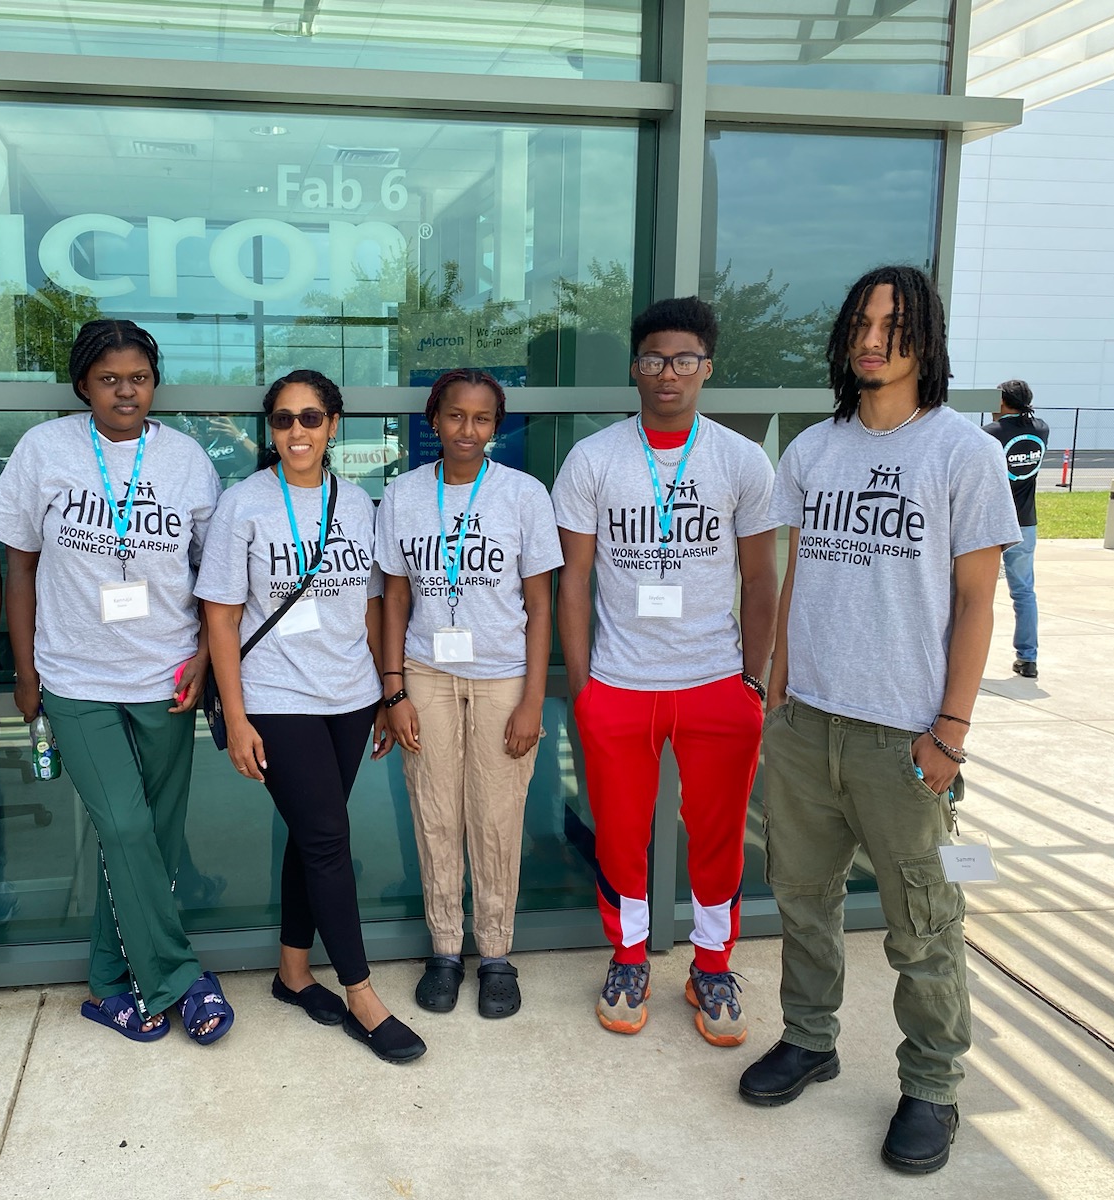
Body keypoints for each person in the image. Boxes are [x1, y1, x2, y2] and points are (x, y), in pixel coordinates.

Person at [741, 265, 1020, 1175]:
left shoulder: (962, 453)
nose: (872, 339)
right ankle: (811, 1038)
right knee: (804, 899)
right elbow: (790, 582)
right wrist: (776, 699)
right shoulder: (815, 451)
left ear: (924, 339)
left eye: (893, 325)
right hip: (806, 724)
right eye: (861, 323)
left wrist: (950, 732)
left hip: (903, 739)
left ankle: (933, 1084)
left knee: (925, 921)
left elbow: (978, 604)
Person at [0, 319, 233, 1046]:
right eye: (109, 379)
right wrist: (24, 668)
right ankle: (178, 977)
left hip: (167, 672)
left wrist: (207, 662)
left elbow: (213, 578)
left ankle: (108, 983)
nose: (126, 391)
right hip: (75, 674)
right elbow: (19, 567)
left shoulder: (186, 459)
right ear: (82, 386)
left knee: (149, 836)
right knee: (123, 825)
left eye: (139, 378)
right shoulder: (44, 451)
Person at [553, 296, 778, 1046]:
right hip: (620, 684)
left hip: (716, 682)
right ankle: (627, 957)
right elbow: (573, 580)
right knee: (621, 837)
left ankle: (711, 964)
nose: (668, 374)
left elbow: (760, 578)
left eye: (684, 360)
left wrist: (754, 679)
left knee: (717, 838)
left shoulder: (741, 460)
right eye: (654, 359)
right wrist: (585, 690)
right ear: (634, 367)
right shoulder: (594, 458)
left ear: (707, 369)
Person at [196, 369, 427, 1064]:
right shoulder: (245, 503)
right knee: (328, 838)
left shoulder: (357, 503)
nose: (296, 431)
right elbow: (221, 616)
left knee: (309, 834)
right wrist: (236, 718)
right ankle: (361, 994)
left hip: (350, 697)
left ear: (333, 425)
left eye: (310, 418)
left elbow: (371, 603)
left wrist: (387, 693)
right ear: (271, 429)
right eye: (283, 420)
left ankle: (292, 973)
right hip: (275, 696)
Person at [377, 368, 562, 1019]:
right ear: (435, 420)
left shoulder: (523, 495)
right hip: (425, 672)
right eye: (455, 416)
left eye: (482, 419)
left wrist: (533, 699)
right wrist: (392, 688)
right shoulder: (402, 495)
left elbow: (541, 605)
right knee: (435, 814)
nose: (468, 430)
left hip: (503, 676)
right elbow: (395, 594)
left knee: (495, 817)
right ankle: (446, 950)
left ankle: (498, 955)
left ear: (497, 426)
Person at [983, 380, 1047, 680]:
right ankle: (1028, 658)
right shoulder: (1041, 429)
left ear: (1002, 401)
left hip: (991, 522)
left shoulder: (990, 434)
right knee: (1024, 592)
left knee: (975, 595)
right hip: (1026, 521)